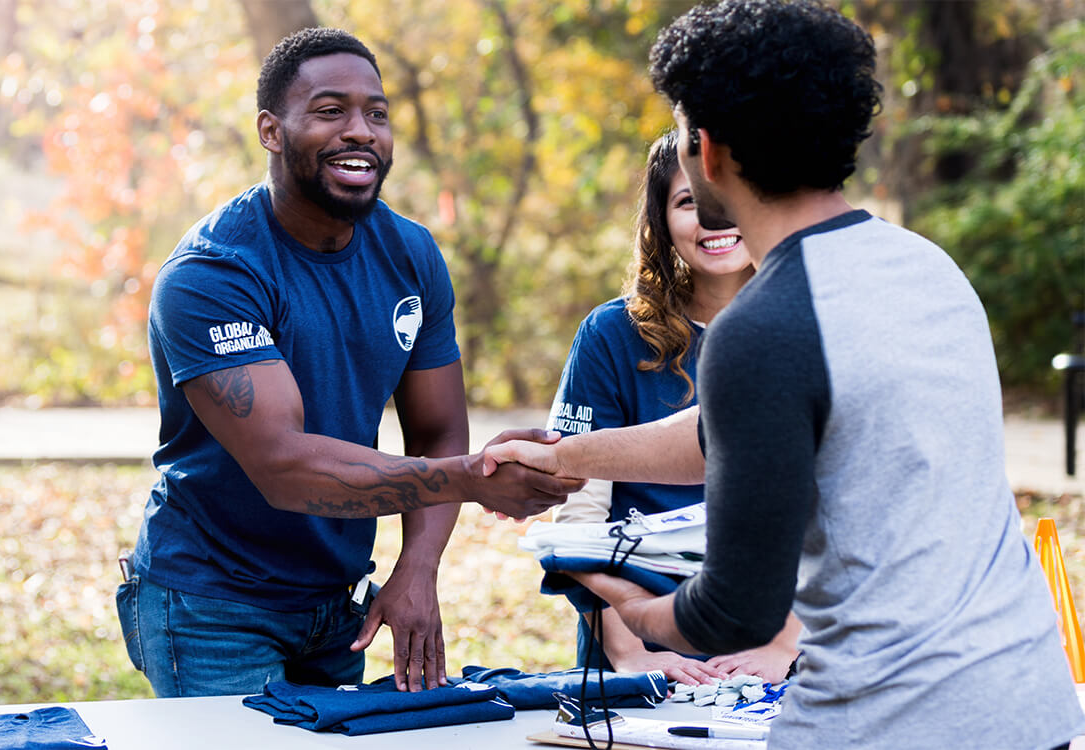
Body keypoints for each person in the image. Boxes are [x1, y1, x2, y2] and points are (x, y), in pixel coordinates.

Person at [486, 2, 1085, 748]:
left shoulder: (764, 326)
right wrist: (564, 457)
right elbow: (723, 432)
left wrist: (636, 613)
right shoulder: (926, 268)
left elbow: (736, 609)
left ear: (707, 150)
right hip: (1029, 703)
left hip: (889, 723)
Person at [116, 27, 582, 700]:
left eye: (376, 113)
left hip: (337, 603)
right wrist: (473, 479)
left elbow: (436, 429)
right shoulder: (213, 273)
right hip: (212, 602)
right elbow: (283, 465)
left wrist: (417, 566)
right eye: (331, 111)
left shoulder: (410, 254)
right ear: (271, 131)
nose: (361, 131)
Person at [547, 130, 799, 685]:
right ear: (660, 220)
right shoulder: (610, 334)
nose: (714, 218)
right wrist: (630, 653)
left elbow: (835, 509)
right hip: (641, 651)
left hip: (777, 655)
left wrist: (785, 646)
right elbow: (581, 514)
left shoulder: (807, 326)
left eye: (729, 197)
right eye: (689, 201)